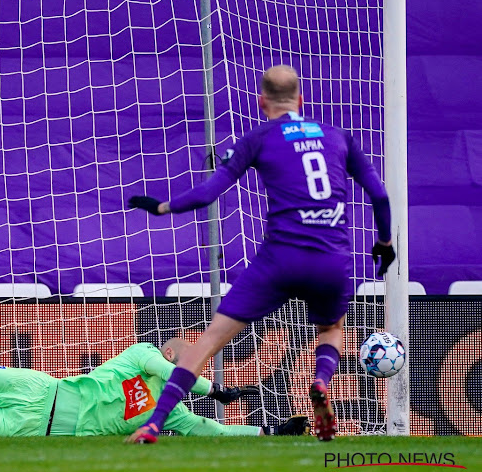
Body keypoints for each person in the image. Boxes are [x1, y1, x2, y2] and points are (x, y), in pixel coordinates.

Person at [126, 65, 395, 443]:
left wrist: (162, 208)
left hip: (280, 260)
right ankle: (319, 381)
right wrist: (384, 242)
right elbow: (380, 196)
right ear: (301, 100)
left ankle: (154, 422)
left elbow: (206, 195)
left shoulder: (257, 138)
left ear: (261, 101)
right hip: (331, 258)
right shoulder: (338, 137)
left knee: (208, 341)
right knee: (331, 329)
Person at [0, 339, 310, 438]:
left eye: (189, 349)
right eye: (181, 344)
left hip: (29, 429)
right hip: (36, 388)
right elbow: (168, 371)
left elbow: (211, 432)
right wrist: (217, 389)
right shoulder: (143, 354)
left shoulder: (168, 412)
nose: (180, 346)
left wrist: (268, 433)